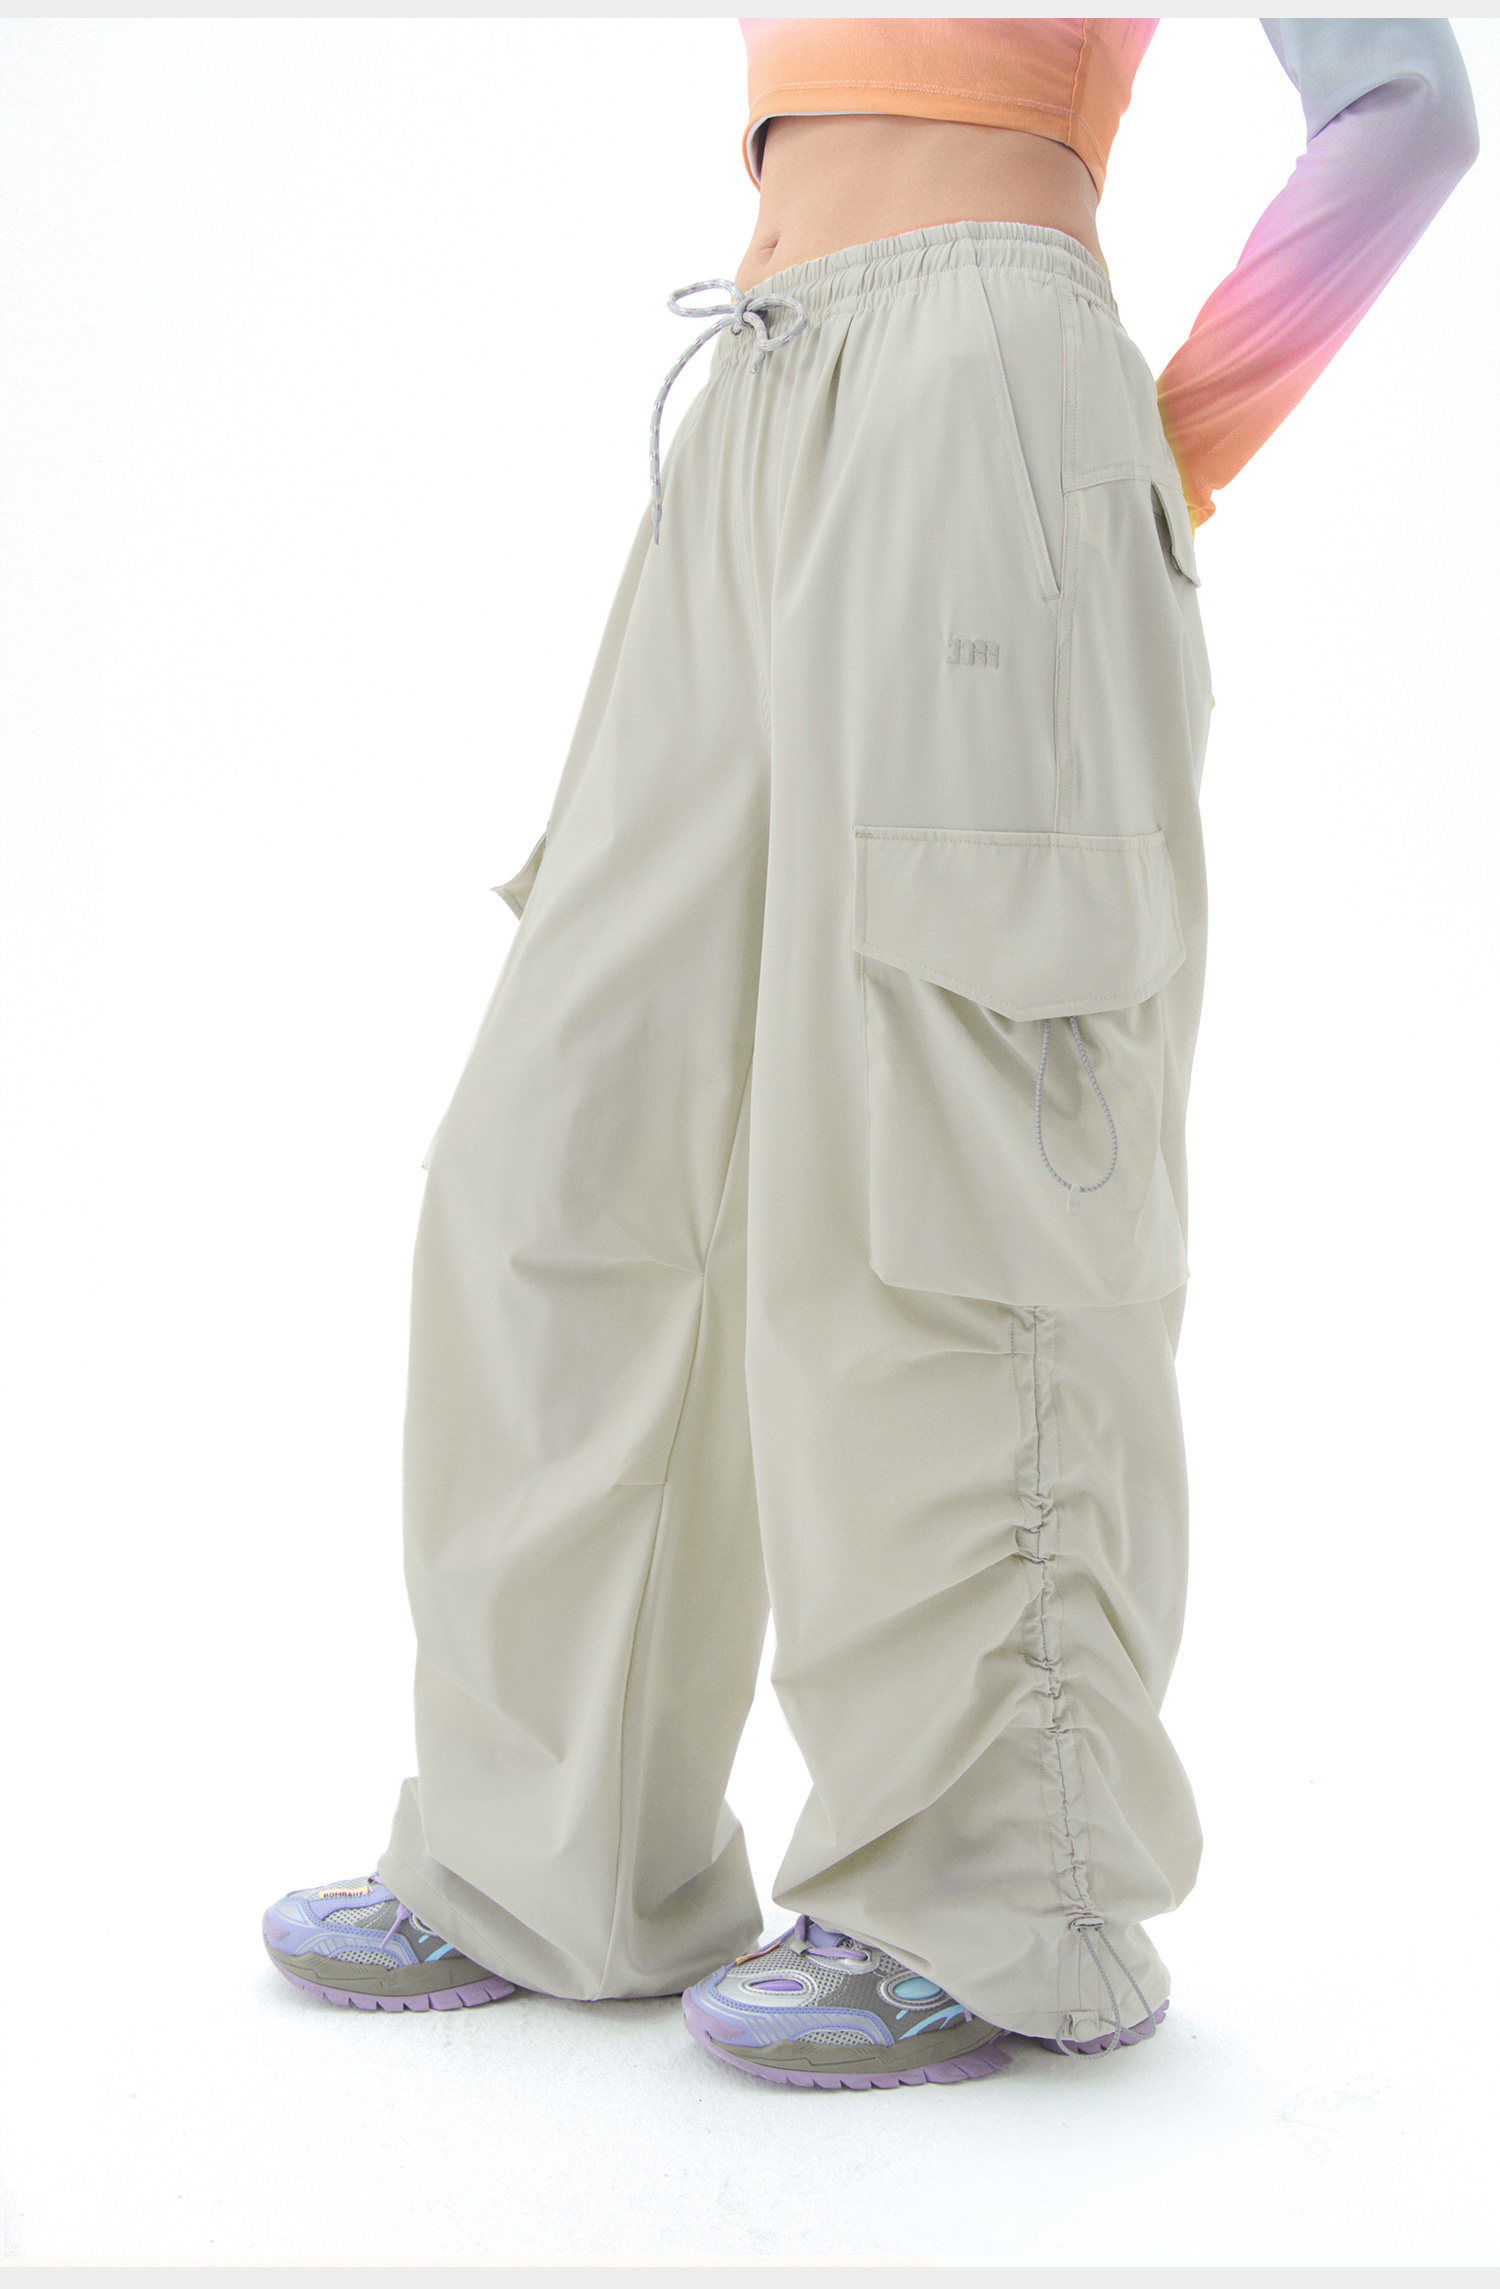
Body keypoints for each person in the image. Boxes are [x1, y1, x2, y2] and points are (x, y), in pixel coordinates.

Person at [262, 19, 1478, 2091]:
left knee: (943, 1151)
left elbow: (1407, 112)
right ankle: (550, 1854)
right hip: (757, 393)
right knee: (574, 1140)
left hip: (983, 395)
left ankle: (997, 1899)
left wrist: (1153, 453)